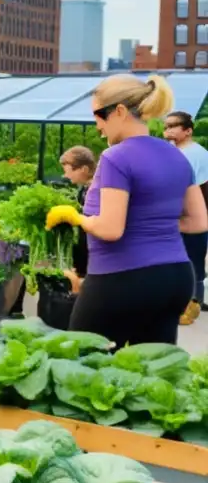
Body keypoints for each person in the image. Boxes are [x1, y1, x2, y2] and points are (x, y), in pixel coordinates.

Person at [45, 75, 208, 348]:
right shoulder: (176, 156)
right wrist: (150, 224)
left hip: (123, 278)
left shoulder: (116, 157)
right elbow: (198, 221)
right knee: (153, 372)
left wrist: (77, 218)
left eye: (99, 116)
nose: (97, 126)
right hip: (175, 278)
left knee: (83, 365)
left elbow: (110, 229)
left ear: (119, 111)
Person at [164, 110, 208, 324]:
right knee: (191, 260)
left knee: (189, 260)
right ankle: (192, 302)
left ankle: (190, 304)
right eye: (166, 126)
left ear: (188, 131)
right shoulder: (180, 152)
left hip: (190, 217)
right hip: (189, 217)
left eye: (173, 126)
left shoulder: (192, 154)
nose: (168, 130)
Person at [59, 146, 97, 288]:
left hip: (90, 254)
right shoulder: (84, 189)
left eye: (68, 171)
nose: (66, 176)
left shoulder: (95, 191)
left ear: (84, 169)